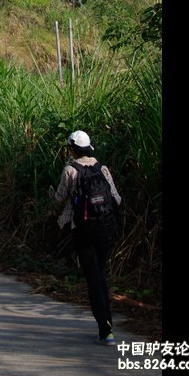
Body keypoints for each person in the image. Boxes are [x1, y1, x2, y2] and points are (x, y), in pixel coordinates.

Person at [52, 130, 122, 346]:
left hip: (82, 230)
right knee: (100, 274)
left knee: (93, 279)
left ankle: (105, 330)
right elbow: (116, 199)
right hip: (105, 229)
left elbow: (60, 198)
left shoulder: (70, 170)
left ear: (72, 149)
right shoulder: (102, 168)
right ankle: (106, 326)